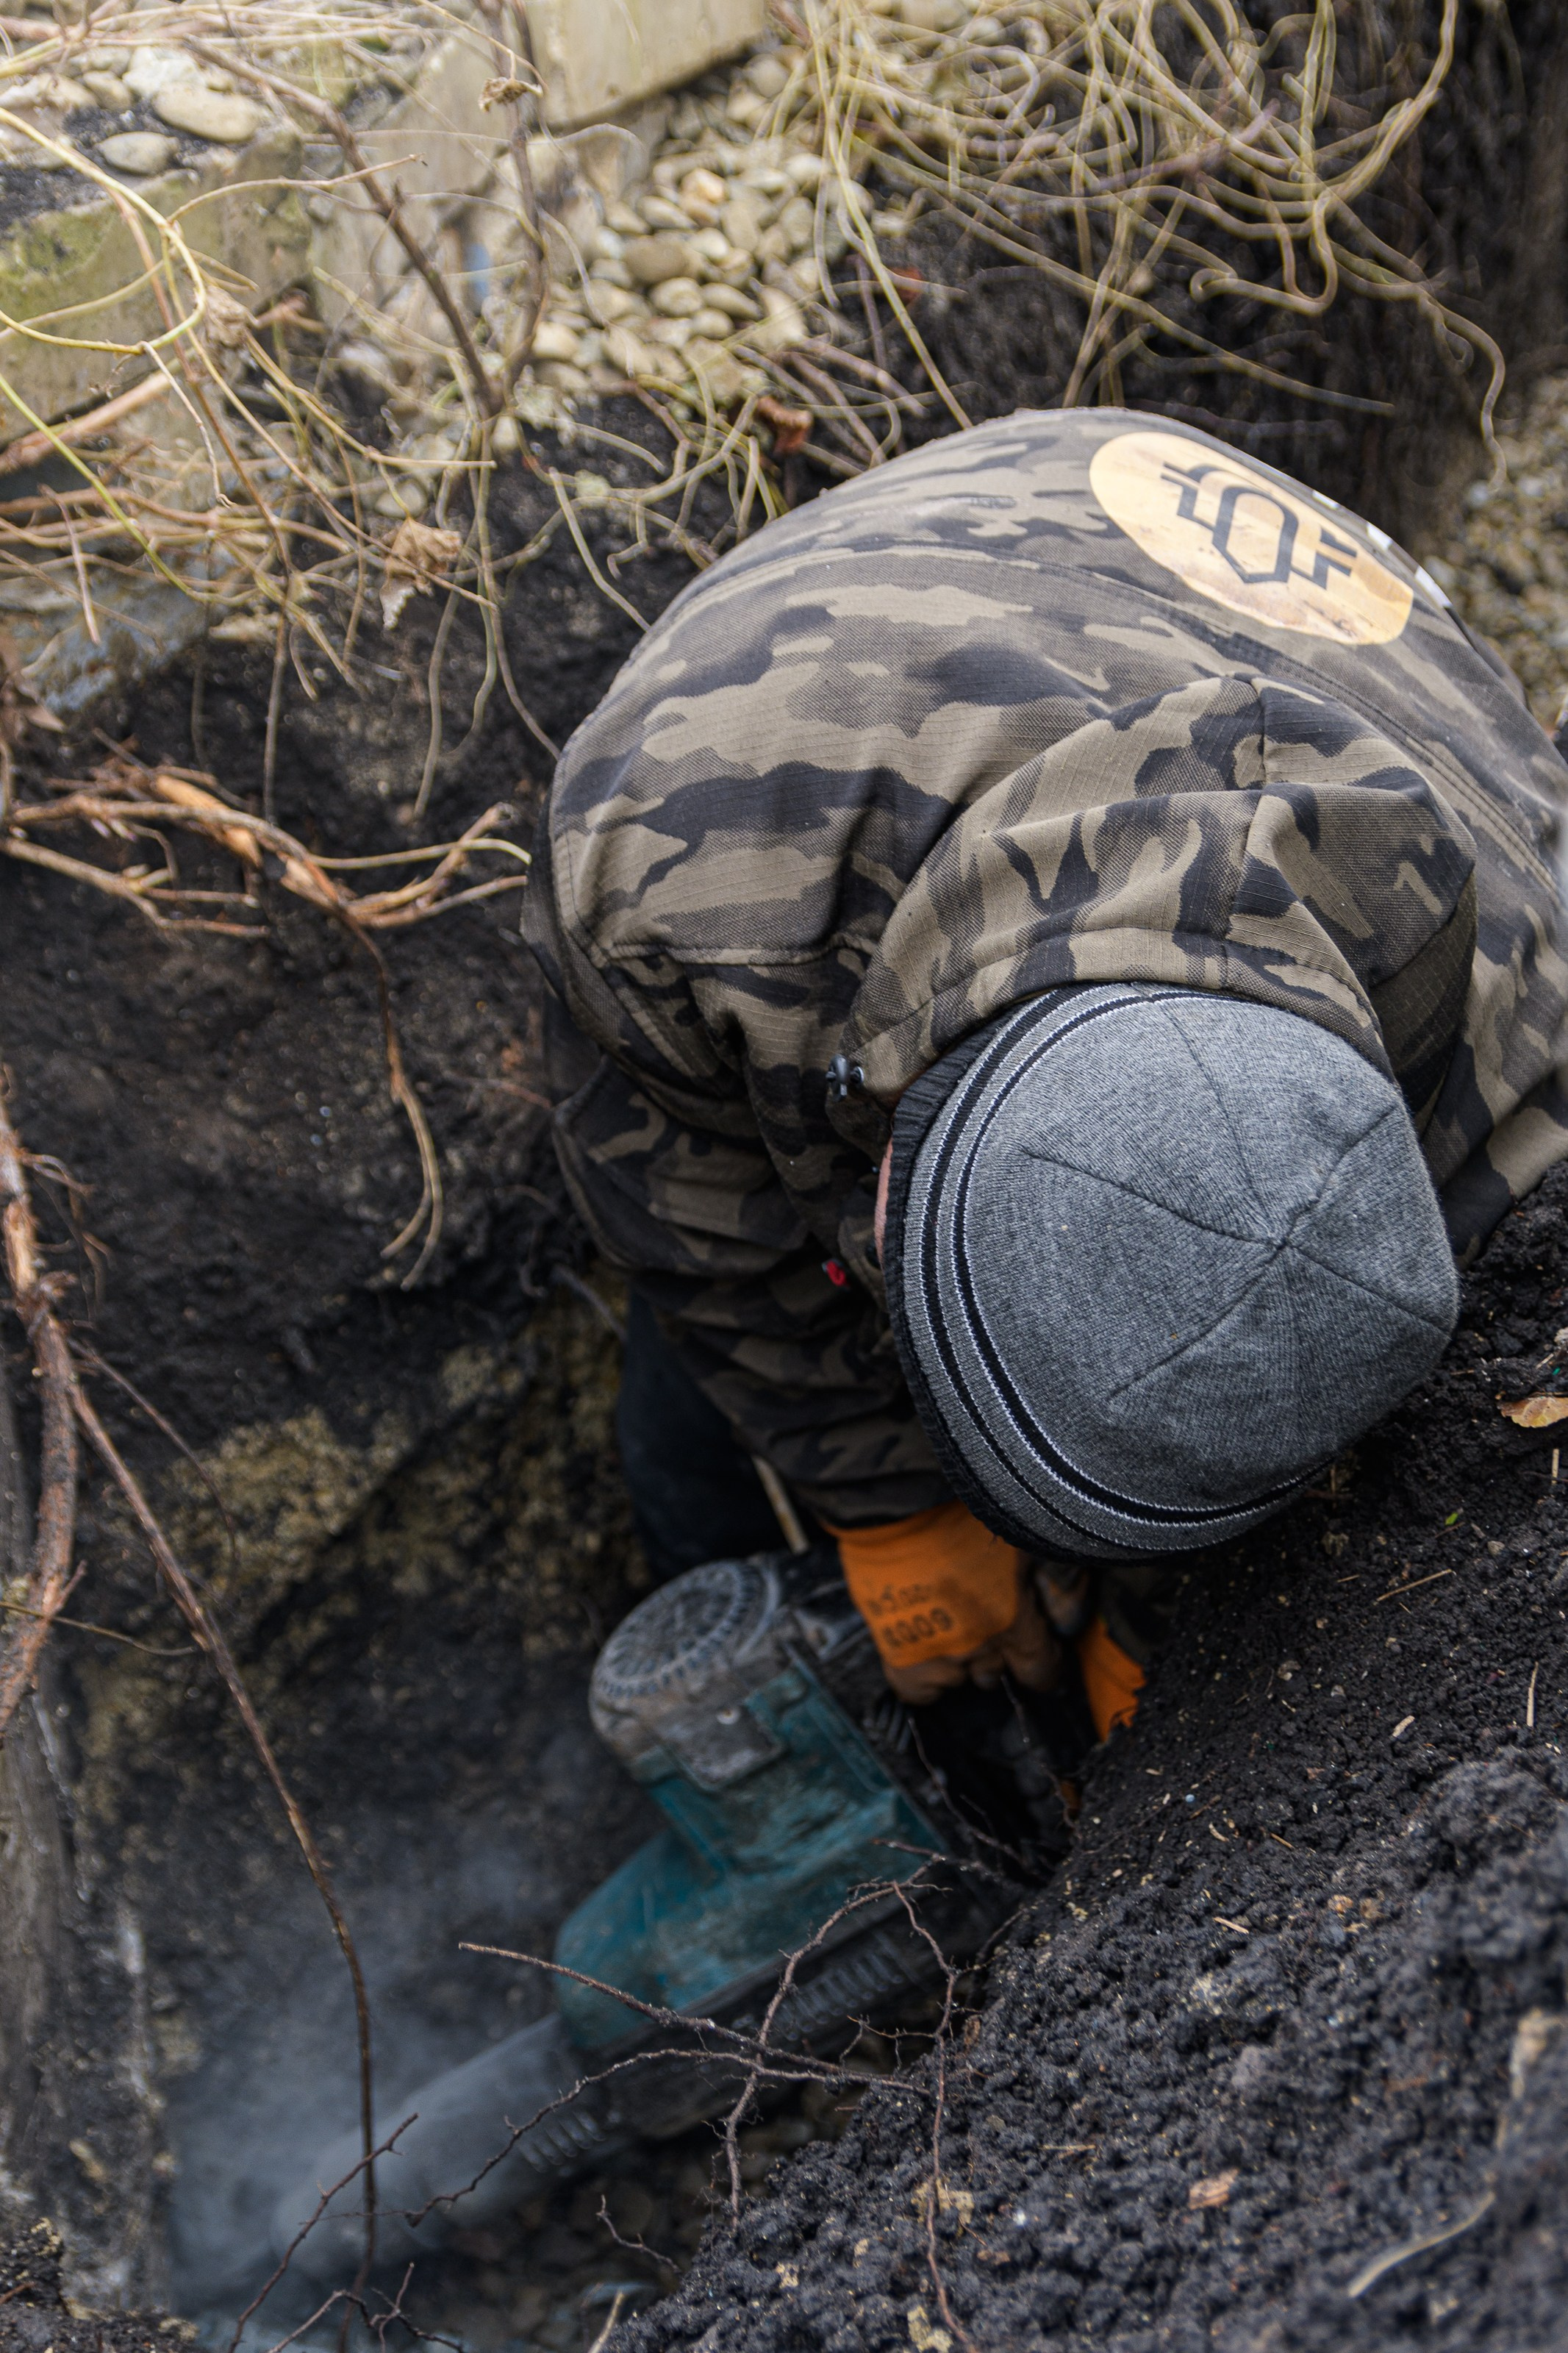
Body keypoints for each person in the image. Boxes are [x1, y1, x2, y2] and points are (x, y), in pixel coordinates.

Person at [523, 408, 1568, 1741]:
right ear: (883, 1168)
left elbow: (1303, 1401)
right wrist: (884, 1500)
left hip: (1184, 627)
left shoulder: (1520, 1060)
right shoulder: (671, 875)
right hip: (943, 571)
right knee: (679, 1430)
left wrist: (1170, 1638)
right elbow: (678, 1197)